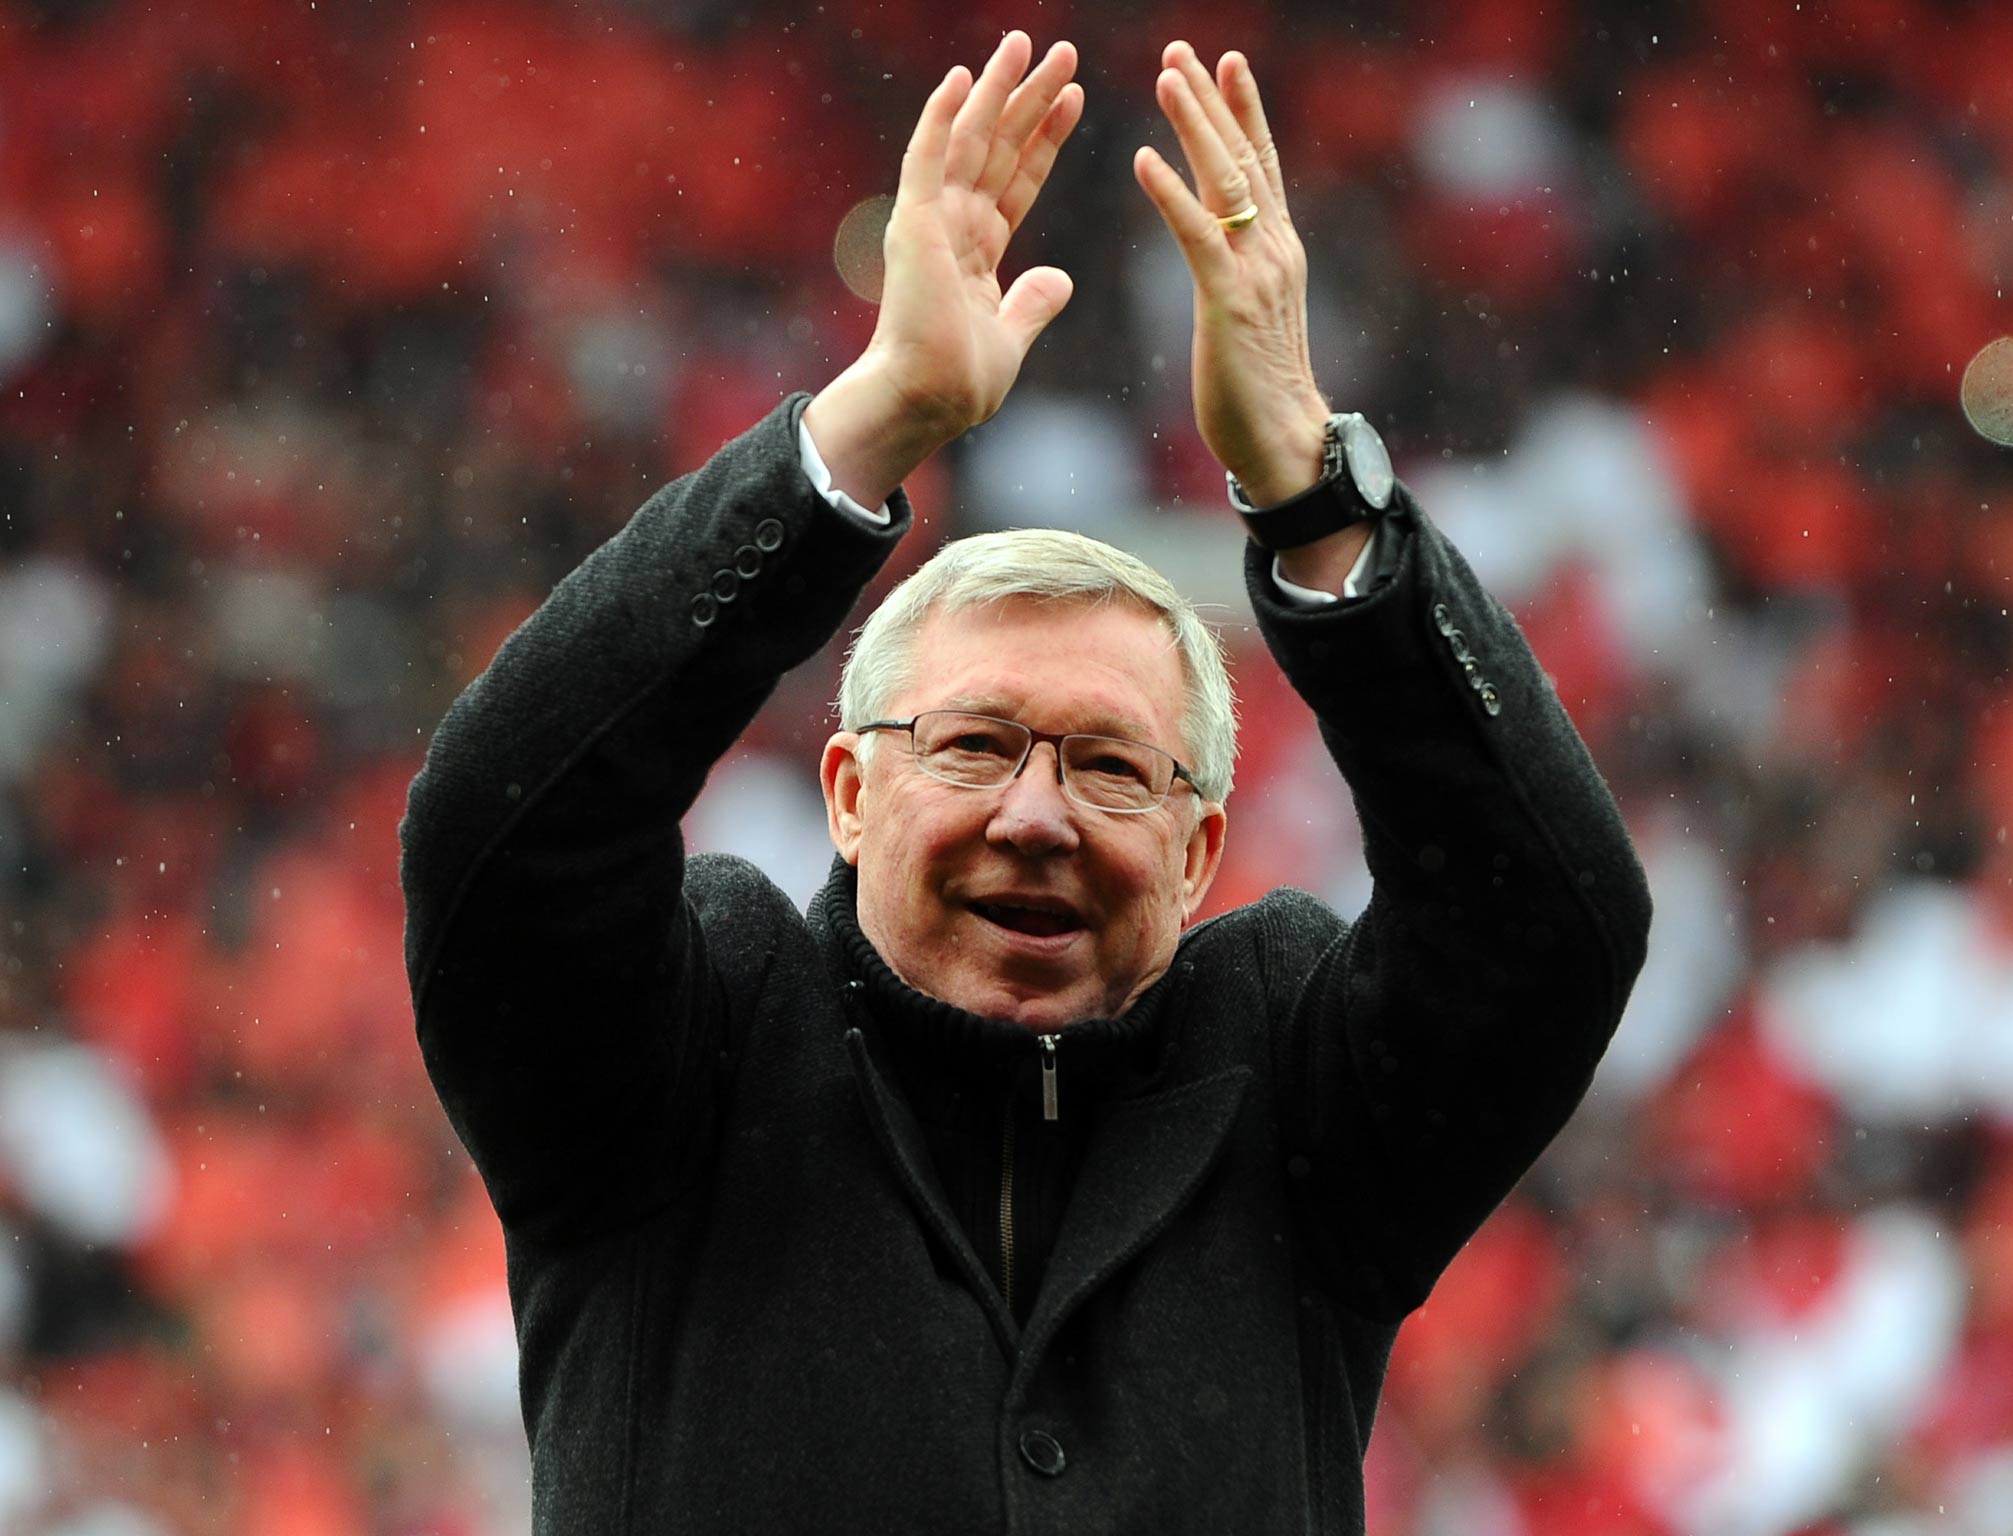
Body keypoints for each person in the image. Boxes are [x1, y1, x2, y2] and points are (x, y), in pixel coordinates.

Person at [399, 32, 1652, 1535]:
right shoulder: (688, 1057)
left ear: (1198, 855)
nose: (1037, 813)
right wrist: (868, 427)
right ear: (850, 794)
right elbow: (502, 828)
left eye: (1112, 767)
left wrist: (1318, 501)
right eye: (978, 746)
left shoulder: (1289, 1088)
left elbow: (1551, 932)